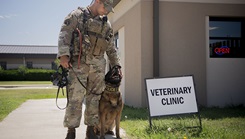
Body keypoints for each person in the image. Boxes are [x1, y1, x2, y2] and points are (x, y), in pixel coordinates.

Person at [57, 0, 121, 139]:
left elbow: (111, 48)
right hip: (79, 65)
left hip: (98, 67)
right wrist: (63, 55)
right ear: (97, 1)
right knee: (75, 99)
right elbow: (65, 33)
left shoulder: (106, 24)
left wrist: (116, 65)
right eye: (105, 7)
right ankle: (71, 131)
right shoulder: (77, 15)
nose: (107, 11)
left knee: (95, 99)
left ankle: (91, 130)